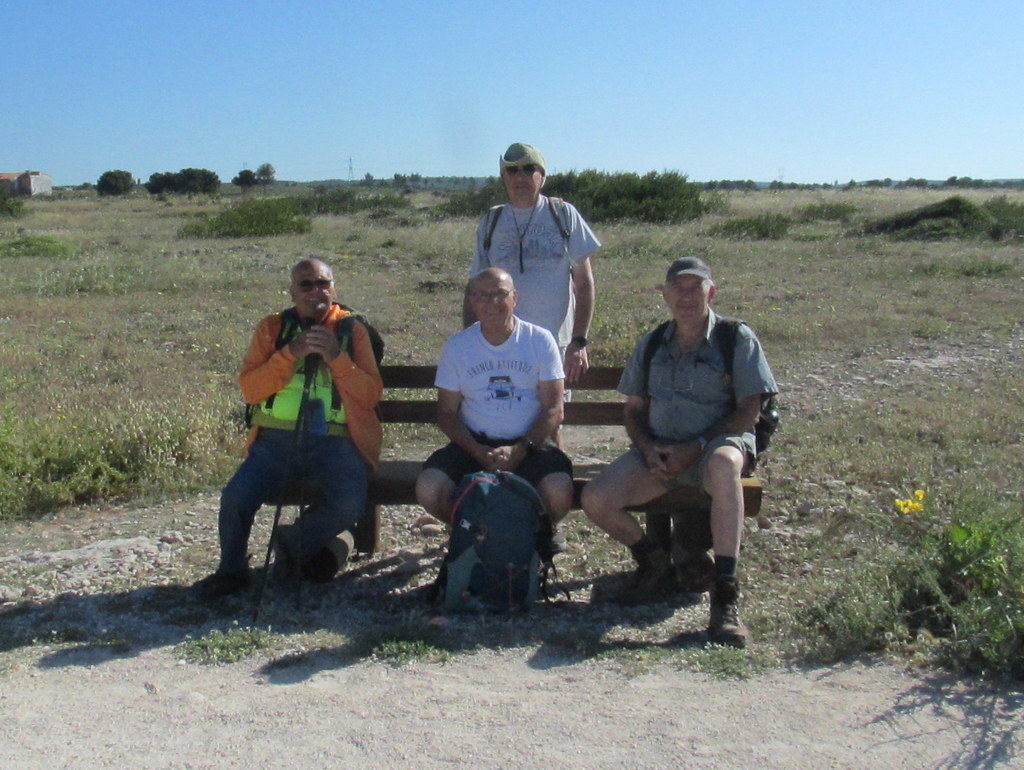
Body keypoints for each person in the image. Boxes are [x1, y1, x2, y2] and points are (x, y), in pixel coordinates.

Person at [581, 257, 777, 647]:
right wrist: (648, 449)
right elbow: (634, 410)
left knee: (724, 467)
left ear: (712, 292)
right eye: (679, 287)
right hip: (661, 450)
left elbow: (749, 411)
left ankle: (725, 595)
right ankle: (654, 564)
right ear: (665, 293)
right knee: (596, 498)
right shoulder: (652, 342)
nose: (687, 296)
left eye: (696, 287)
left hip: (717, 445)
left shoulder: (735, 338)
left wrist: (698, 446)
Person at [191, 258, 383, 600]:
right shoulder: (271, 328)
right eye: (305, 285)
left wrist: (336, 357)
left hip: (335, 442)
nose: (315, 291)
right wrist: (290, 353)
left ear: (334, 288)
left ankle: (292, 542)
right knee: (236, 497)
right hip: (273, 444)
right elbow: (251, 389)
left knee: (349, 505)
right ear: (292, 291)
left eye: (323, 283)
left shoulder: (353, 331)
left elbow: (370, 394)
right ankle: (231, 571)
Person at [417, 267, 574, 539]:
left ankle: (532, 537)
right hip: (474, 444)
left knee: (559, 492)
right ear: (471, 300)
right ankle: (475, 533)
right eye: (482, 295)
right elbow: (446, 412)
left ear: (515, 298)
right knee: (430, 488)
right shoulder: (458, 346)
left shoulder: (539, 341)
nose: (492, 303)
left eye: (500, 294)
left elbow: (553, 408)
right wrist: (477, 451)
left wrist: (520, 450)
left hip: (531, 444)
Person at [463, 142, 600, 384]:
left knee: (552, 415)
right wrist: (470, 340)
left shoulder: (563, 214)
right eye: (512, 170)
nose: (520, 176)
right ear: (503, 177)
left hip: (555, 345)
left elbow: (584, 283)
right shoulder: (491, 222)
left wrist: (579, 341)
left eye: (529, 168)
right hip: (501, 346)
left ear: (542, 175)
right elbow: (474, 288)